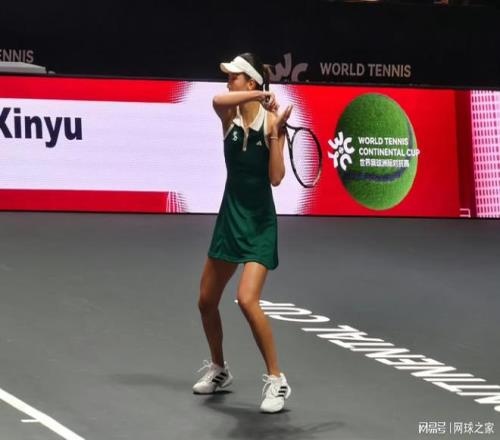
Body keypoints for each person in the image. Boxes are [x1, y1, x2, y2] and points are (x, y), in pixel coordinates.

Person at [193, 53, 293, 413]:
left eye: (234, 77)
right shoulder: (229, 115)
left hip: (260, 223)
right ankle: (219, 369)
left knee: (247, 299)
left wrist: (276, 133)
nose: (228, 81)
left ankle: (277, 381)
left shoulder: (271, 123)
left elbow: (276, 178)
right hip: (229, 219)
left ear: (250, 80)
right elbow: (217, 99)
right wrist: (259, 95)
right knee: (206, 301)